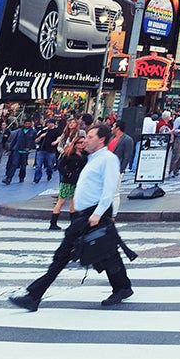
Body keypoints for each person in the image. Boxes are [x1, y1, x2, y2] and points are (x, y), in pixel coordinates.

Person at [9, 124, 133, 311]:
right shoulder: (93, 159)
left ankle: (33, 295)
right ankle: (122, 287)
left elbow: (109, 189)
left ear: (101, 140)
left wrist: (97, 214)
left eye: (90, 137)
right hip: (85, 214)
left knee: (64, 255)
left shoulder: (108, 159)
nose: (86, 140)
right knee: (106, 253)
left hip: (93, 214)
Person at [49, 135, 86, 230]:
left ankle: (73, 223)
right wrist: (67, 174)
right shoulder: (69, 154)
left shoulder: (84, 154)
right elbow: (60, 166)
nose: (83, 144)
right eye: (80, 142)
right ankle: (53, 222)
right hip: (67, 181)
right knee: (61, 201)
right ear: (76, 144)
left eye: (84, 142)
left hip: (78, 181)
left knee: (74, 201)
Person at [2, 119, 34, 185]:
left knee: (23, 165)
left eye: (29, 124)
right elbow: (14, 140)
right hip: (17, 149)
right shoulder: (19, 131)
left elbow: (34, 141)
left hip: (25, 151)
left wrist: (30, 147)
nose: (27, 125)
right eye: (26, 123)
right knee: (14, 163)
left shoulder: (33, 132)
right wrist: (10, 150)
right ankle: (8, 178)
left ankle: (21, 177)